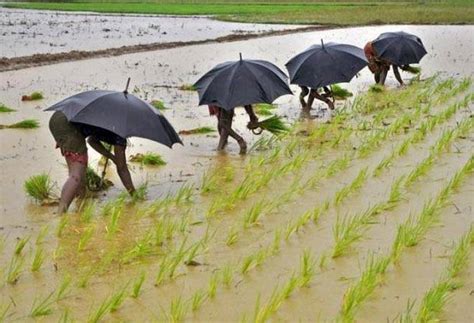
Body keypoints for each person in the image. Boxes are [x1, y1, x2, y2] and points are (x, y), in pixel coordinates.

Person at [49, 111, 135, 213]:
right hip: (69, 125)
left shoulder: (112, 118)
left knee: (80, 172)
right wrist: (134, 195)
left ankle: (81, 204)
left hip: (58, 118)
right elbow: (122, 168)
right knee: (76, 175)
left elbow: (91, 140)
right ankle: (60, 213)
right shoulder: (121, 133)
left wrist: (111, 157)